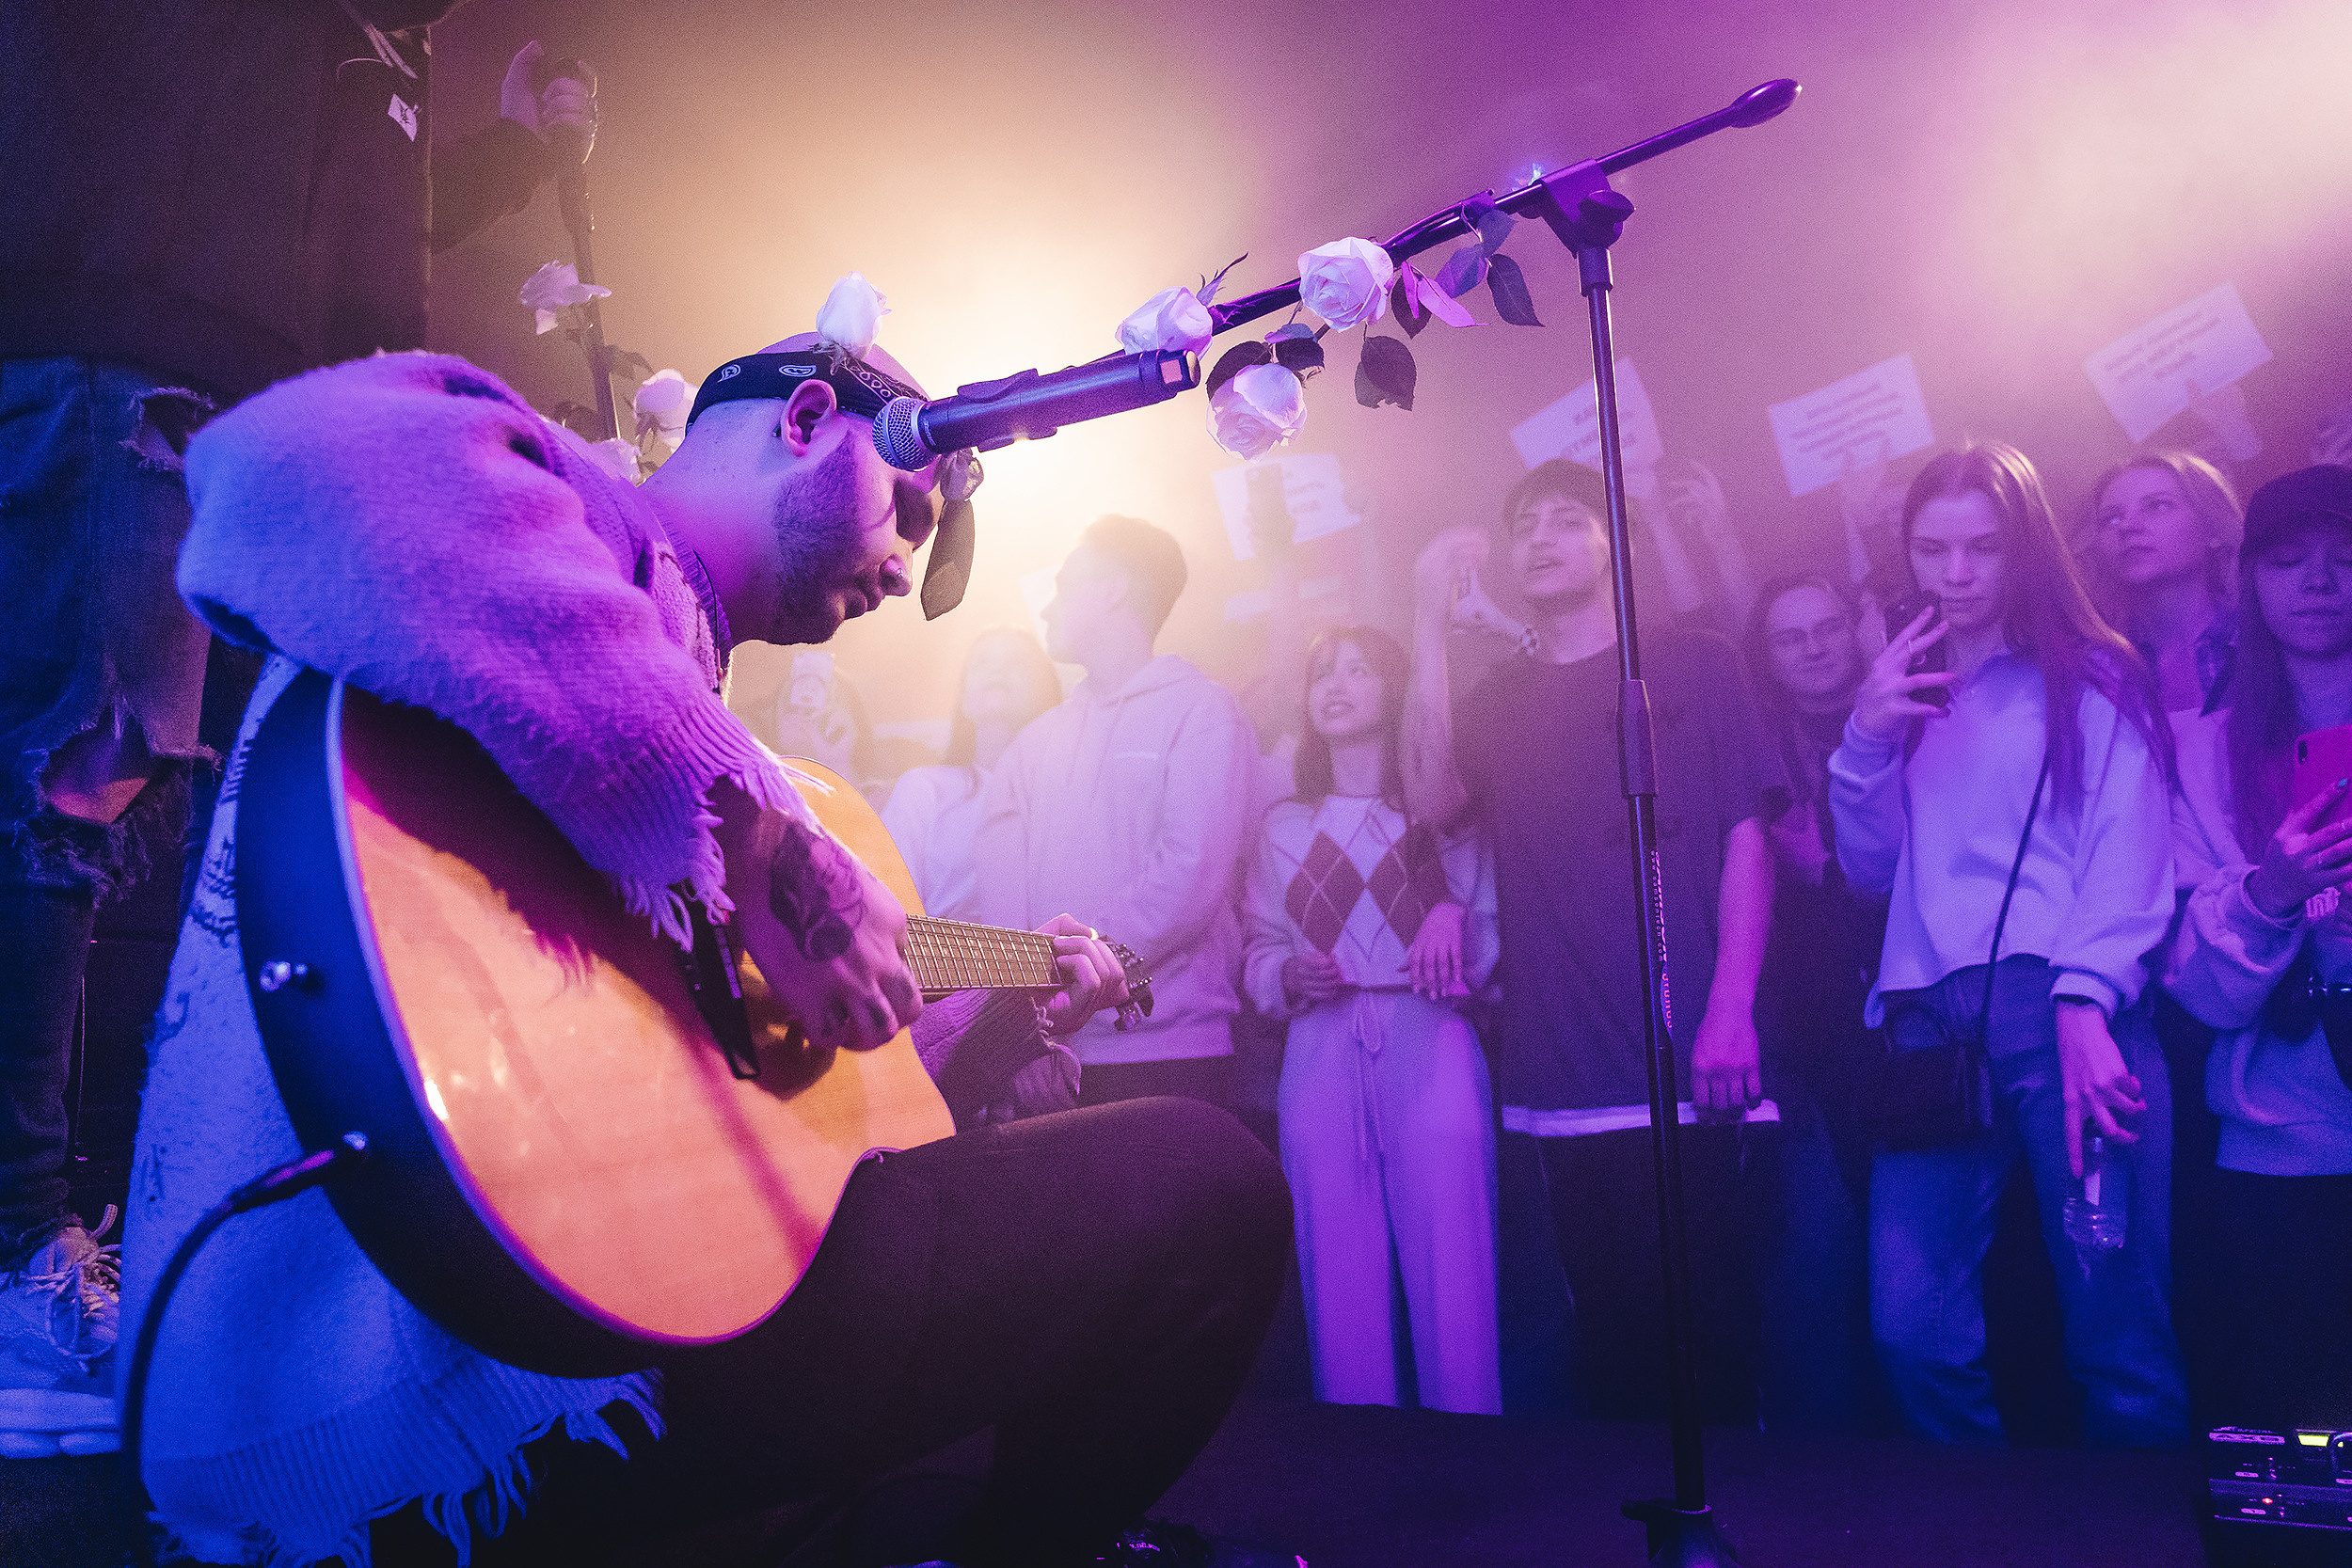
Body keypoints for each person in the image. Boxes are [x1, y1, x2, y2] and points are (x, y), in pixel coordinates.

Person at [120, 324, 1294, 1568]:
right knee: (1208, 1181)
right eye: (905, 510)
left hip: (502, 1364)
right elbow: (284, 461)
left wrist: (1000, 1008)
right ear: (806, 419)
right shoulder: (591, 519)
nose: (905, 569)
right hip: (433, 1393)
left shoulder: (672, 673)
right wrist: (773, 844)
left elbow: (777, 1133)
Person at [0, 1, 592, 1459]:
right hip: (122, 342)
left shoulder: (372, 38)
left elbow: (356, 233)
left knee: (105, 811)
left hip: (190, 380)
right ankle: (17, 1256)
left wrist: (511, 156)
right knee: (76, 782)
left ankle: (46, 1239)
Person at [1404, 457, 1787, 1422]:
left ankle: (1733, 1506)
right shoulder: (1500, 696)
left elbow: (1746, 837)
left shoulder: (1695, 662)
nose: (1538, 537)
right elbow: (1430, 796)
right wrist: (1425, 621)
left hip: (1694, 1057)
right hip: (1566, 1070)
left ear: (1616, 539)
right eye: (1523, 524)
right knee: (1612, 1343)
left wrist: (1730, 1008)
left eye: (1565, 518)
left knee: (1714, 1335)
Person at [1831, 442, 2185, 1447]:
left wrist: (2087, 997)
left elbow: (2128, 840)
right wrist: (1864, 735)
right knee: (1909, 1330)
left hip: (2060, 1001)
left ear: (2023, 547)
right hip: (1927, 1024)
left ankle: (2130, 1526)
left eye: (1982, 547)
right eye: (1931, 548)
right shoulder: (1906, 687)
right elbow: (1870, 870)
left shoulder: (2090, 672)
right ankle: (1984, 1521)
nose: (1955, 572)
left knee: (2117, 1329)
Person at [1241, 626, 1501, 1415]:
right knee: (1336, 1278)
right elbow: (1257, 946)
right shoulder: (1282, 825)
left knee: (1456, 1270)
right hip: (1318, 1049)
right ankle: (1361, 1467)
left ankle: (1472, 1460)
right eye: (1323, 673)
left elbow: (1490, 933)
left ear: (1395, 688)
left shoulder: (1443, 813)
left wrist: (1452, 918)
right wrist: (1286, 975)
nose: (1337, 686)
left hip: (1431, 1036)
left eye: (1358, 670)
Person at [2165, 463, 2352, 1435]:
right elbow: (2197, 993)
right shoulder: (2203, 754)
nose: (2319, 580)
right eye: (2288, 559)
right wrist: (2272, 893)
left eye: (2345, 556)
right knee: (2292, 1434)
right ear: (2250, 580)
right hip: (2279, 1135)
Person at [974, 518, 1258, 1109]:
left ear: (1112, 590)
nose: (1046, 609)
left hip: (1172, 1054)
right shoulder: (1030, 745)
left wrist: (1069, 977)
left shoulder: (1203, 712)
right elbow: (1001, 904)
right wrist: (1023, 1036)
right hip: (1050, 1061)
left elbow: (1189, 876)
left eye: (1062, 587)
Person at [1741, 572, 1886, 1429]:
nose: (1814, 647)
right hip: (1803, 1043)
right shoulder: (1759, 754)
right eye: (1789, 637)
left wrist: (1826, 873)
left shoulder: (1913, 722)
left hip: (1917, 1032)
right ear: (1766, 657)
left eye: (1828, 626)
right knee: (1823, 1258)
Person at [883, 628, 1062, 923]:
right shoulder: (923, 789)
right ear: (964, 699)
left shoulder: (1069, 798)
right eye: (981, 662)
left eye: (1016, 661)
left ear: (1046, 690)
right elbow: (889, 910)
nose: (996, 670)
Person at [2074, 451, 2244, 713]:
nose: (2128, 526)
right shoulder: (2097, 666)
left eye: (2158, 506)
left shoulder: (2260, 638)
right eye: (2112, 518)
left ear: (2212, 526)